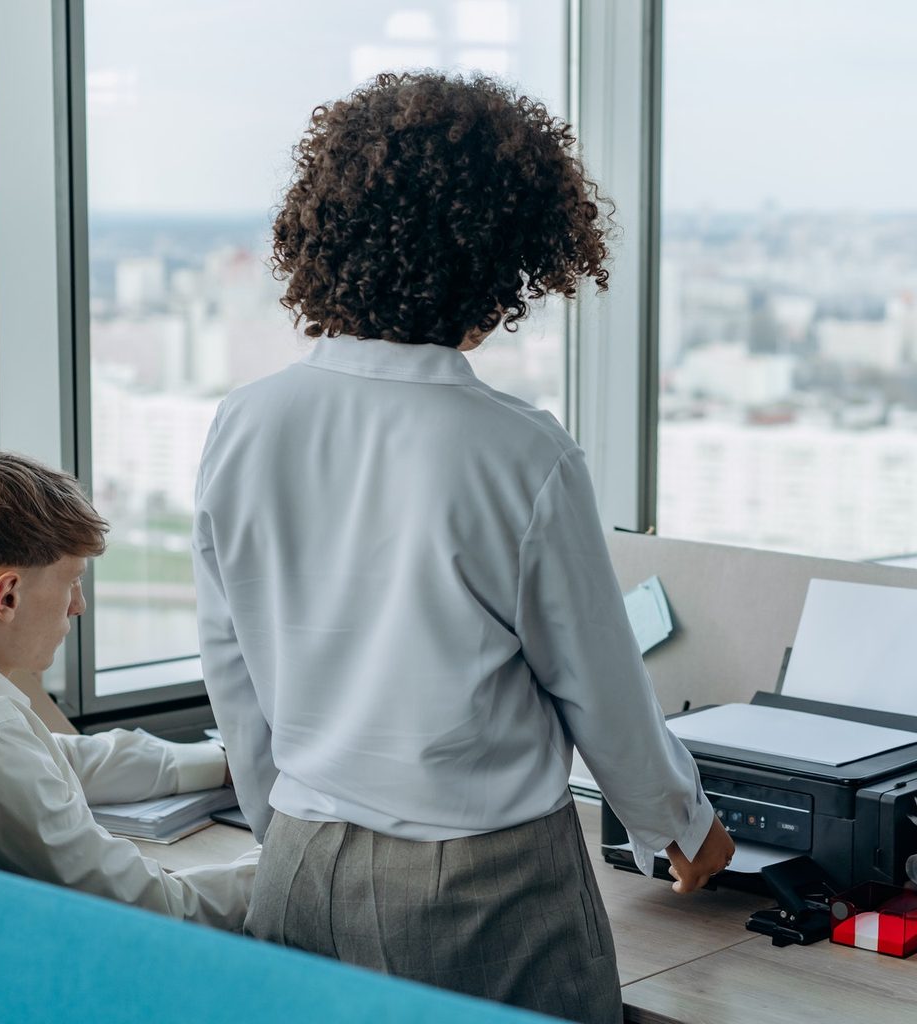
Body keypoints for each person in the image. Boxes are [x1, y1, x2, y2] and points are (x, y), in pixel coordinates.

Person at [193, 72, 733, 1022]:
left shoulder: (245, 423)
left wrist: (286, 822)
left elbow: (230, 664)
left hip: (296, 867)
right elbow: (599, 683)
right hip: (481, 891)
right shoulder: (518, 452)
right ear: (496, 265)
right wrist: (680, 825)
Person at [0, 449, 256, 930]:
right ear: (6, 595)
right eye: (71, 582)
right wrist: (286, 869)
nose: (78, 606)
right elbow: (158, 911)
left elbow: (61, 759)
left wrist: (222, 765)